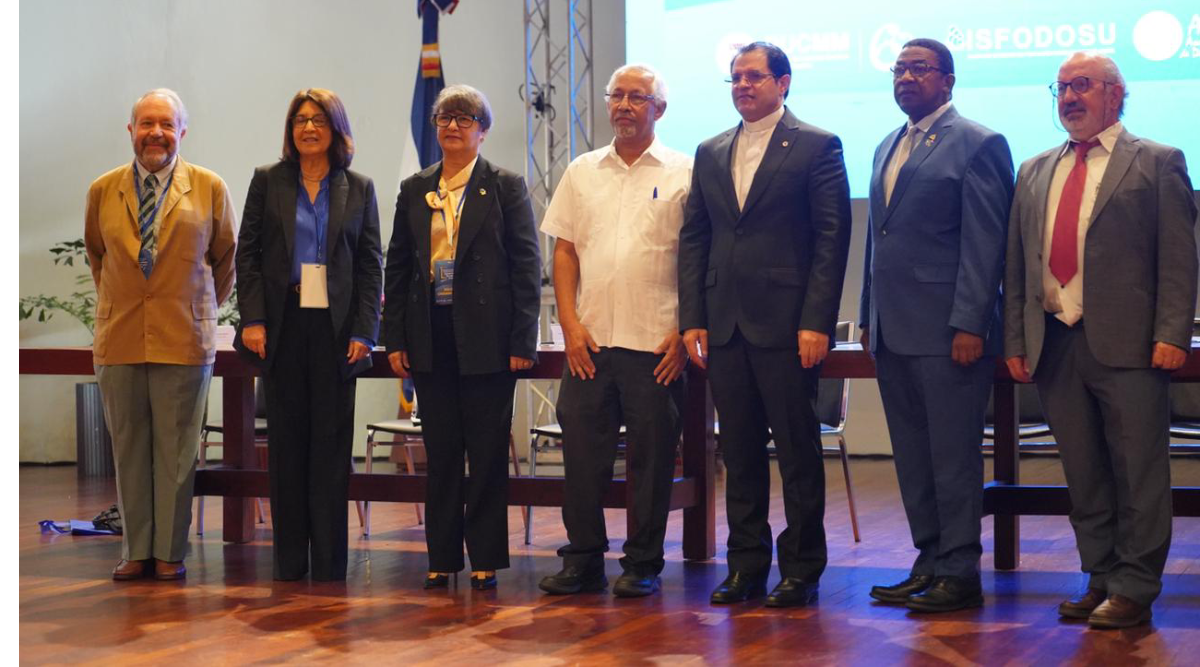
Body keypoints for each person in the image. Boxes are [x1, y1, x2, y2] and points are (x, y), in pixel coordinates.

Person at [1005, 52, 1197, 629]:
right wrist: (1016, 337)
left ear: (1115, 93)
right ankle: (1101, 576)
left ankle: (1136, 586)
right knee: (1084, 473)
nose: (1069, 97)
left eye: (1082, 85)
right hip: (1055, 342)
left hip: (1132, 346)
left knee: (1138, 471)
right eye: (1061, 87)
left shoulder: (1158, 162)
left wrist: (1173, 333)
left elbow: (1179, 261)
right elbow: (1018, 264)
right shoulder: (1035, 169)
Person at [678, 42, 852, 607]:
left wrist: (817, 320)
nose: (742, 86)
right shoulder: (710, 150)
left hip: (787, 327)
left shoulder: (818, 145)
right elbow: (696, 238)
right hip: (724, 325)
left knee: (799, 453)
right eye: (735, 78)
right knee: (742, 453)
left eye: (753, 77)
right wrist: (693, 318)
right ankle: (746, 566)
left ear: (783, 82)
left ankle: (801, 569)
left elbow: (832, 238)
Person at [858, 38, 1014, 612]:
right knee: (913, 458)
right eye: (898, 68)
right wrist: (867, 317)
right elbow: (881, 243)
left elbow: (985, 243)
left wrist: (971, 322)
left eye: (918, 68)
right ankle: (927, 562)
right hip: (893, 331)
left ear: (948, 81)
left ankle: (960, 572)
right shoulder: (886, 145)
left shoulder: (978, 143)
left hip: (951, 334)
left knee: (952, 457)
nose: (905, 77)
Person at [537, 65, 692, 598]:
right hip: (590, 344)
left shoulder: (685, 172)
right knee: (581, 459)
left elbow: (701, 259)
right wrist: (570, 325)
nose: (624, 105)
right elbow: (564, 252)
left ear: (659, 108)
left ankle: (643, 564)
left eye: (637, 97)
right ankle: (582, 560)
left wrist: (684, 330)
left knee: (651, 462)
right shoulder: (581, 171)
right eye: (616, 96)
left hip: (657, 345)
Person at [383, 84, 541, 590]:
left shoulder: (505, 186)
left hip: (490, 341)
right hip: (431, 336)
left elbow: (525, 265)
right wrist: (396, 340)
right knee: (442, 452)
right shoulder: (415, 188)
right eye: (444, 117)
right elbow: (399, 266)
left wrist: (523, 341)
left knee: (489, 453)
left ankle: (486, 556)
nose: (453, 125)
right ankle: (442, 556)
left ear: (483, 129)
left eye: (465, 117)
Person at [85, 88, 237, 581]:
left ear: (182, 132)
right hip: (121, 335)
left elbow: (226, 259)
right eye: (147, 124)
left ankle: (170, 552)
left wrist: (192, 305)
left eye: (167, 124)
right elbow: (98, 257)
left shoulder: (209, 187)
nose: (156, 133)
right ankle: (135, 551)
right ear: (131, 131)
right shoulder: (103, 190)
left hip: (183, 338)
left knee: (176, 453)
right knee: (128, 448)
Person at [235, 88, 383, 582]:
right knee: (287, 445)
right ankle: (289, 562)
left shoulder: (358, 187)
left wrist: (366, 328)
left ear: (335, 128)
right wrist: (252, 319)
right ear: (290, 130)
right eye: (299, 119)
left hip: (337, 330)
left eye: (318, 119)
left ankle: (330, 563)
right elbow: (248, 256)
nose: (308, 128)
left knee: (331, 444)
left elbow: (370, 265)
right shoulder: (268, 181)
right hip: (282, 327)